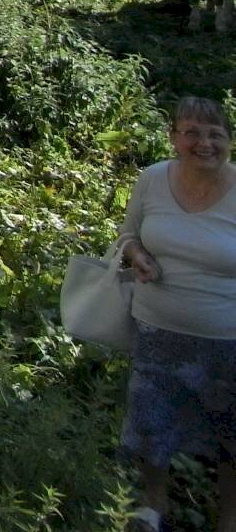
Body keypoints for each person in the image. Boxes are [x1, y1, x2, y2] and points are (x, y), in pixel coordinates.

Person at [121, 95, 236, 532]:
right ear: (173, 138)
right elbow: (129, 234)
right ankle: (153, 509)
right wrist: (136, 255)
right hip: (157, 334)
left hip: (229, 342)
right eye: (190, 132)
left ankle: (228, 521)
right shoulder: (151, 180)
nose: (203, 142)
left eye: (214, 134)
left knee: (231, 438)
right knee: (153, 428)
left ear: (228, 141)